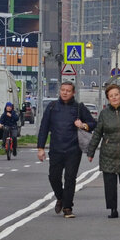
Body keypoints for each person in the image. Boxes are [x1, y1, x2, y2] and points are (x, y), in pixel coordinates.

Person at [37, 81, 97, 219]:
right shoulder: (52, 107)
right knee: (53, 177)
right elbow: (44, 128)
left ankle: (68, 207)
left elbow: (94, 123)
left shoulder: (79, 108)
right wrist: (40, 148)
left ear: (73, 93)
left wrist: (83, 125)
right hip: (56, 149)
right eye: (63, 90)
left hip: (73, 150)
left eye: (68, 90)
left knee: (70, 178)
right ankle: (60, 197)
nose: (65, 92)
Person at [87, 82, 120, 218]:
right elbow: (98, 133)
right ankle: (113, 209)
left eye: (116, 95)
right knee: (110, 185)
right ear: (108, 98)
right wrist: (91, 151)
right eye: (111, 96)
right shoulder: (104, 114)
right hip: (108, 153)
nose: (114, 97)